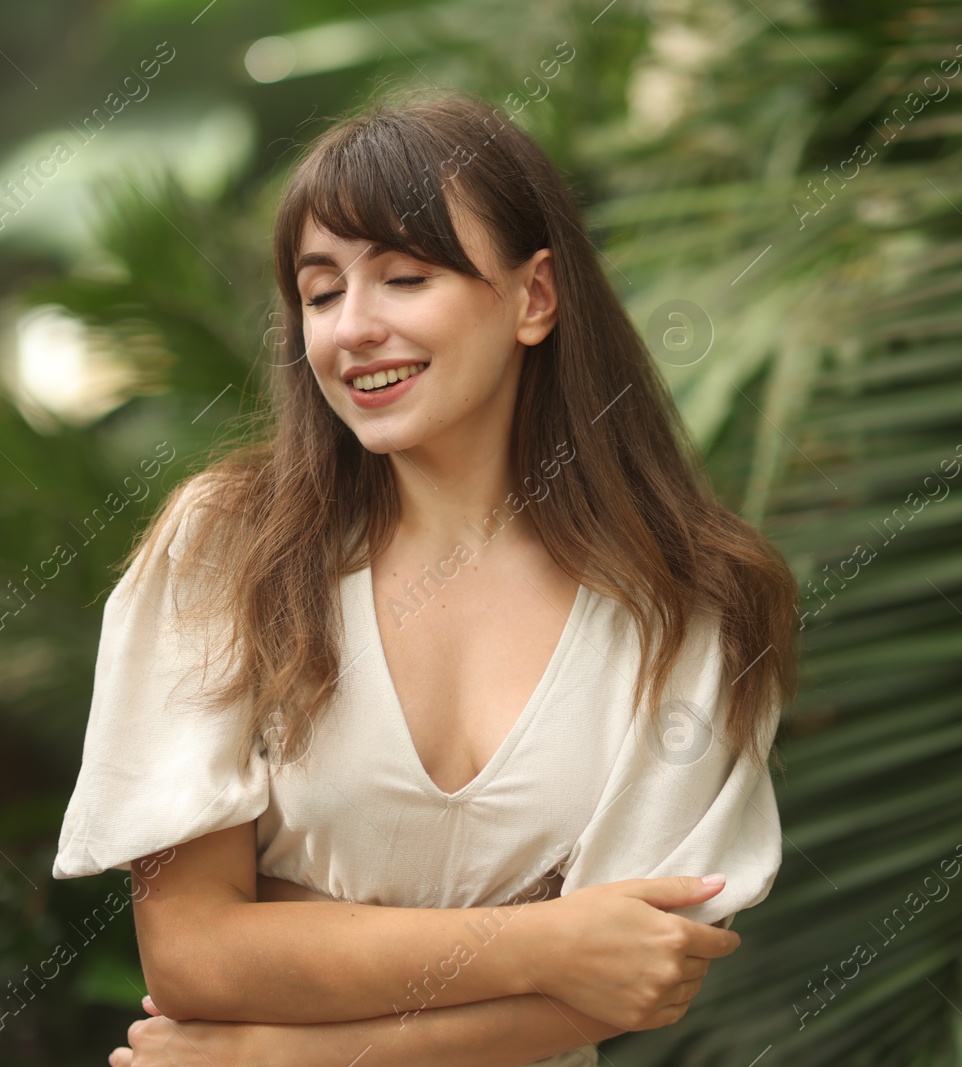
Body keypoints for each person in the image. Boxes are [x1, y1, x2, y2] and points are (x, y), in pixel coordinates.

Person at [51, 86, 800, 1067]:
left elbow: (636, 977)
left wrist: (274, 1056)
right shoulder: (227, 551)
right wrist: (543, 943)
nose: (352, 327)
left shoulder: (687, 602)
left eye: (404, 277)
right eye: (320, 293)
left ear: (534, 297)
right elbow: (195, 953)